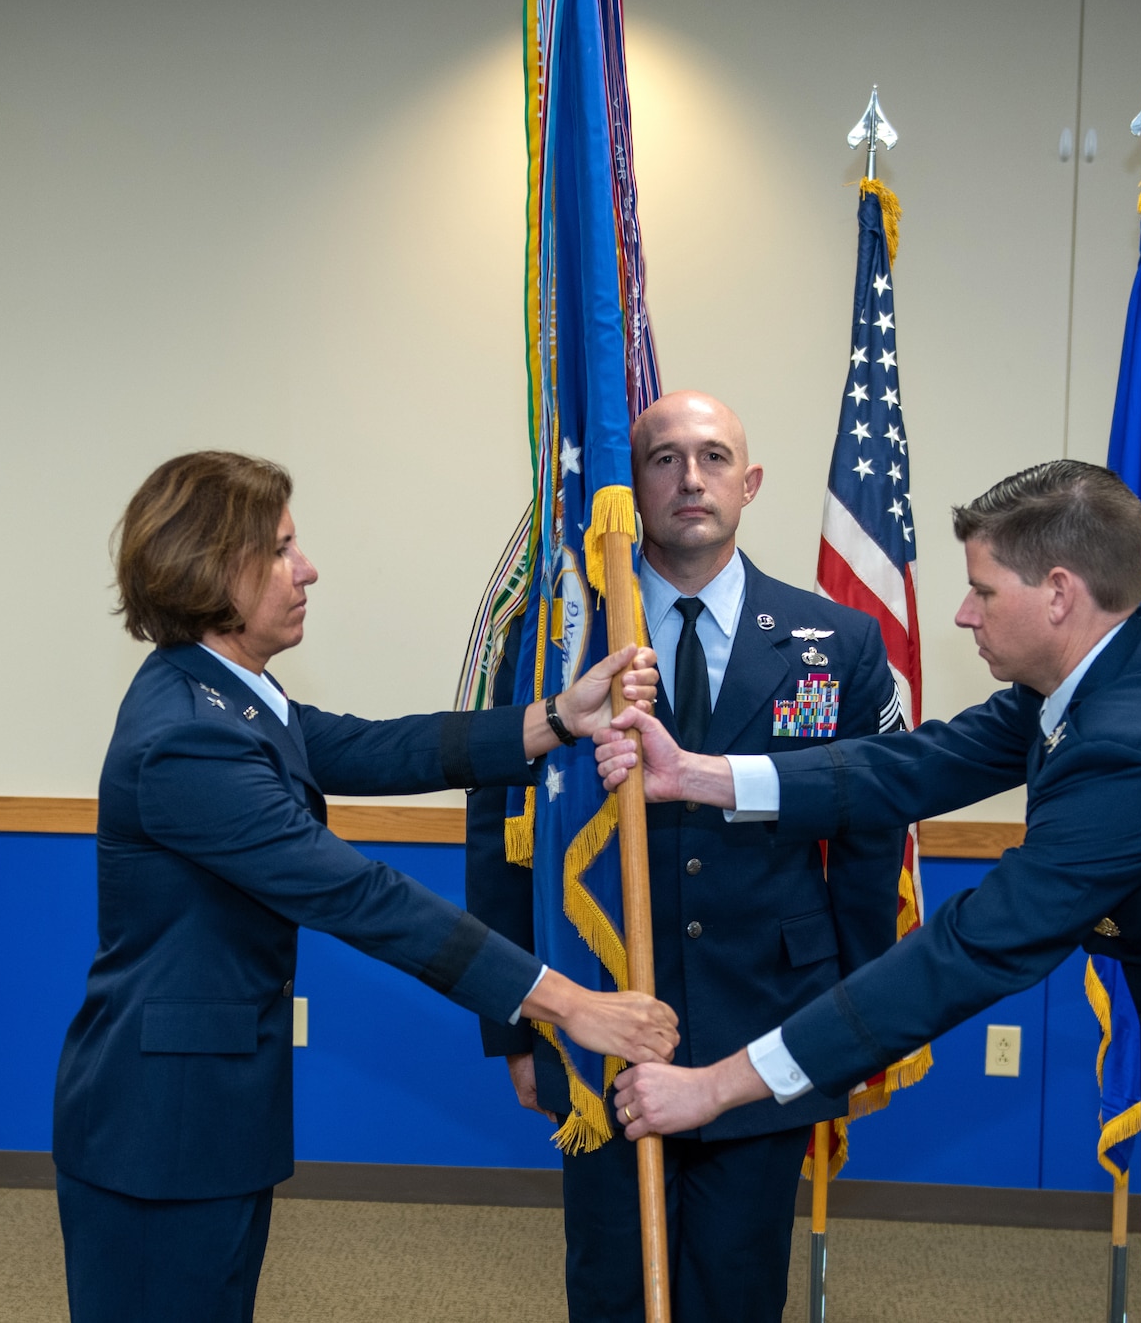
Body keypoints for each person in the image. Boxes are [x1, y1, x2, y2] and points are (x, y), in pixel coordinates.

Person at [597, 460, 1141, 1323]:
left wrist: (719, 1085)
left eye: (984, 590)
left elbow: (973, 947)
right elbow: (922, 760)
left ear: (1059, 593)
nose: (961, 613)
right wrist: (705, 776)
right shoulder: (1116, 664)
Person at [52, 451, 677, 1323]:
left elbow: (375, 746)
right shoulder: (187, 738)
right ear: (210, 569)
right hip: (161, 1127)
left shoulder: (229, 692)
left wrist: (555, 719)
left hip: (207, 1108)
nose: (306, 569)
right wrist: (565, 1001)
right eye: (280, 549)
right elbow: (361, 896)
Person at [466, 392, 908, 1323]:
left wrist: (858, 1009)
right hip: (599, 1014)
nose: (691, 478)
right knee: (613, 1287)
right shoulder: (558, 640)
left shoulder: (841, 640)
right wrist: (511, 1022)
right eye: (664, 459)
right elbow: (500, 827)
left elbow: (870, 838)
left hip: (770, 1018)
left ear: (749, 484)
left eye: (713, 457)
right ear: (634, 486)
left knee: (740, 1288)